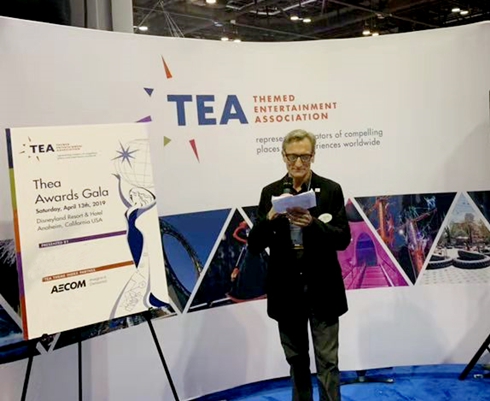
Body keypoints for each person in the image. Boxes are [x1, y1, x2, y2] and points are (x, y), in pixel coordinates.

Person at [247, 129, 351, 401]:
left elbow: (343, 239)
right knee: (297, 361)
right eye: (292, 156)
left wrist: (313, 225)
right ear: (283, 156)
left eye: (304, 156)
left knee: (328, 362)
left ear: (313, 156)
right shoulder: (270, 193)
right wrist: (270, 218)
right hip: (286, 290)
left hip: (323, 288)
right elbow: (254, 245)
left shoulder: (331, 190)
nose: (298, 163)